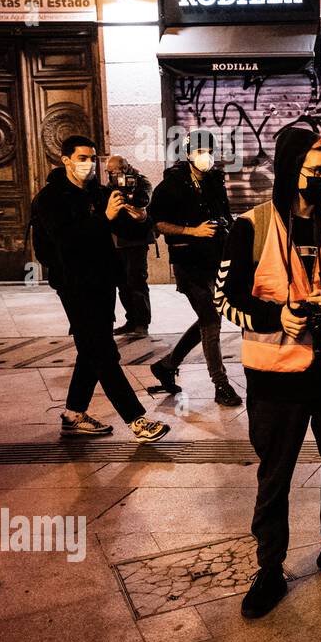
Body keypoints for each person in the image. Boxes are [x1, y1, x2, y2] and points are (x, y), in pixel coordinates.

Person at [214, 127, 321, 619]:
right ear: (292, 171)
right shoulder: (251, 227)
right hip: (276, 377)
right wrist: (277, 317)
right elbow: (223, 299)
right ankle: (269, 568)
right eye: (316, 173)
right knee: (276, 478)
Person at [30, 135, 169, 442]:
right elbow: (66, 242)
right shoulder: (50, 199)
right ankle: (137, 420)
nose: (89, 164)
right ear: (66, 160)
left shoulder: (99, 193)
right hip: (73, 283)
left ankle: (74, 415)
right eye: (82, 158)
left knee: (91, 348)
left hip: (104, 279)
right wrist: (102, 218)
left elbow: (125, 230)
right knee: (103, 352)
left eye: (93, 158)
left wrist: (140, 218)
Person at [148, 130, 241, 407]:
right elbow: (157, 223)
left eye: (209, 150)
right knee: (211, 319)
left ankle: (166, 366)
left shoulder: (215, 181)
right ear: (188, 154)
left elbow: (225, 215)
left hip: (215, 259)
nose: (205, 156)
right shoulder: (170, 185)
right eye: (200, 151)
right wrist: (193, 231)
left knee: (207, 319)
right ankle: (220, 384)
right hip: (188, 264)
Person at [104, 155, 153, 337]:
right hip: (117, 241)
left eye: (113, 172)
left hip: (136, 241)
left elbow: (145, 200)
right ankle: (131, 320)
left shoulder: (141, 182)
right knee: (122, 284)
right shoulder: (111, 186)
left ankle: (142, 323)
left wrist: (131, 198)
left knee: (136, 281)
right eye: (108, 173)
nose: (111, 176)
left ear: (124, 169)